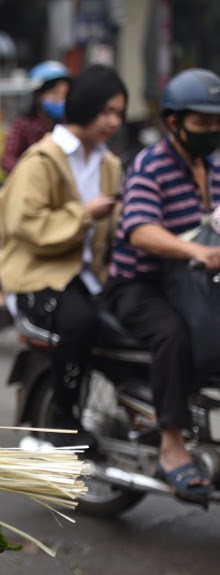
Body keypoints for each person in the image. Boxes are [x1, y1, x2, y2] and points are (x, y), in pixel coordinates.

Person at [104, 68, 220, 502]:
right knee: (174, 334)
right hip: (140, 286)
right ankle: (172, 445)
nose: (212, 132)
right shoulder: (150, 165)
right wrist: (196, 252)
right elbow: (139, 229)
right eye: (203, 123)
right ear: (174, 123)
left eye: (217, 123)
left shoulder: (213, 166)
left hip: (193, 283)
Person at [0, 64, 127, 441]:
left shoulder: (110, 163)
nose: (114, 122)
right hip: (39, 274)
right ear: (85, 107)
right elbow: (27, 223)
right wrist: (84, 215)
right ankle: (62, 419)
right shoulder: (42, 160)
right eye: (107, 112)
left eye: (119, 113)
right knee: (80, 323)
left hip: (89, 275)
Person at [0, 60, 71, 175]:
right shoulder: (23, 125)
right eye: (54, 93)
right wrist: (31, 173)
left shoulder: (69, 125)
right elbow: (6, 159)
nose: (60, 99)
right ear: (38, 95)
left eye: (64, 95)